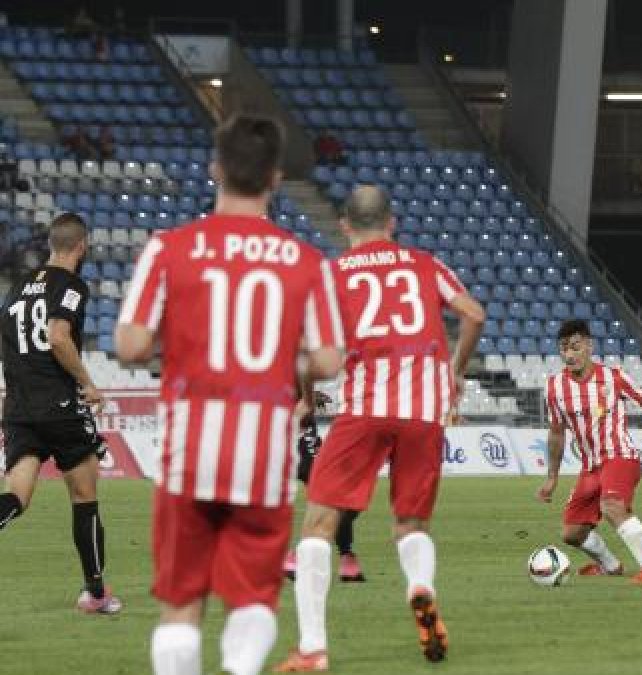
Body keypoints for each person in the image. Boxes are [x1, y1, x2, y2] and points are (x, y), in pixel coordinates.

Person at [115, 114, 344, 675]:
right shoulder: (305, 262)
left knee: (180, 602)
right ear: (275, 178)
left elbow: (131, 344)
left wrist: (182, 334)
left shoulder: (169, 249)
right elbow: (331, 359)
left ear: (215, 169)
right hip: (262, 453)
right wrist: (284, 352)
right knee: (253, 596)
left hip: (189, 448)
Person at [274, 185, 485, 671]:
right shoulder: (425, 263)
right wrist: (454, 370)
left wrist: (305, 398)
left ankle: (312, 649)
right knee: (411, 523)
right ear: (392, 224)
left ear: (345, 225)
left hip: (365, 406)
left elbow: (309, 355)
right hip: (424, 409)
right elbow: (473, 314)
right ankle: (420, 587)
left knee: (318, 525)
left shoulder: (331, 275)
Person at [0, 212, 120, 614]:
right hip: (60, 405)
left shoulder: (16, 291)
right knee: (84, 495)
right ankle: (96, 594)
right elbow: (57, 336)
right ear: (81, 246)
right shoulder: (70, 285)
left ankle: (96, 593)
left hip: (19, 406)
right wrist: (88, 383)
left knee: (17, 495)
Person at [537, 320, 642, 586]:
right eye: (563, 349)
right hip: (590, 467)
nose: (569, 355)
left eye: (575, 347)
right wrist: (552, 476)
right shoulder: (554, 387)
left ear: (589, 346)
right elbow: (556, 432)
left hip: (620, 456)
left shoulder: (614, 377)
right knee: (571, 534)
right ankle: (610, 565)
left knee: (612, 506)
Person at [282, 388, 366, 583]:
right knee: (337, 499)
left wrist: (310, 395)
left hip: (305, 445)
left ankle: (345, 557)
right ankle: (300, 557)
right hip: (295, 446)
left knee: (340, 499)